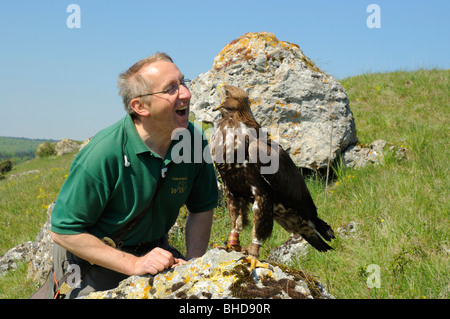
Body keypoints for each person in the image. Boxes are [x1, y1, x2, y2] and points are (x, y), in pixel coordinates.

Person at [49, 52, 218, 298]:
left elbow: (202, 207)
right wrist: (134, 265)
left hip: (153, 251)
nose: (186, 93)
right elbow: (63, 231)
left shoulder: (192, 141)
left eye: (183, 82)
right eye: (171, 88)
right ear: (140, 106)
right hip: (92, 262)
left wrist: (193, 264)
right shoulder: (105, 152)